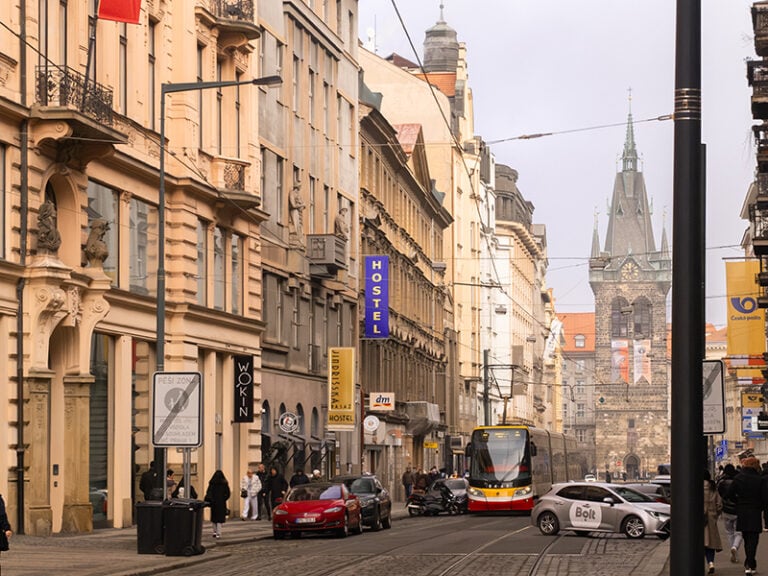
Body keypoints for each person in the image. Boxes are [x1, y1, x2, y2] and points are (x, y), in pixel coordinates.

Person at [727, 456, 768, 575]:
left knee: (746, 538)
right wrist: (761, 508)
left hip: (742, 512)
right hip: (755, 512)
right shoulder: (760, 480)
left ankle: (749, 564)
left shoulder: (738, 478)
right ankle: (750, 563)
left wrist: (738, 502)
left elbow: (729, 494)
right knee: (753, 540)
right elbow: (765, 498)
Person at [718, 463, 743, 564]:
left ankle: (733, 550)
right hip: (738, 509)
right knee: (739, 532)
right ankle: (735, 547)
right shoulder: (738, 480)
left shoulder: (721, 482)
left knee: (729, 532)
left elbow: (720, 495)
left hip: (726, 510)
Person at [704, 469, 723, 574]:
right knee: (710, 542)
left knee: (699, 542)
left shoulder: (694, 486)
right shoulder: (712, 488)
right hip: (711, 517)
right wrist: (715, 514)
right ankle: (711, 562)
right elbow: (719, 504)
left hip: (697, 519)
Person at [204, 470, 231, 539]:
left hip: (214, 503)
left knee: (214, 519)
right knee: (219, 519)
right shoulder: (224, 483)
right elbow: (228, 493)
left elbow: (208, 492)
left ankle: (214, 532)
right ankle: (218, 533)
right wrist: (223, 499)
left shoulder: (212, 483)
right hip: (221, 503)